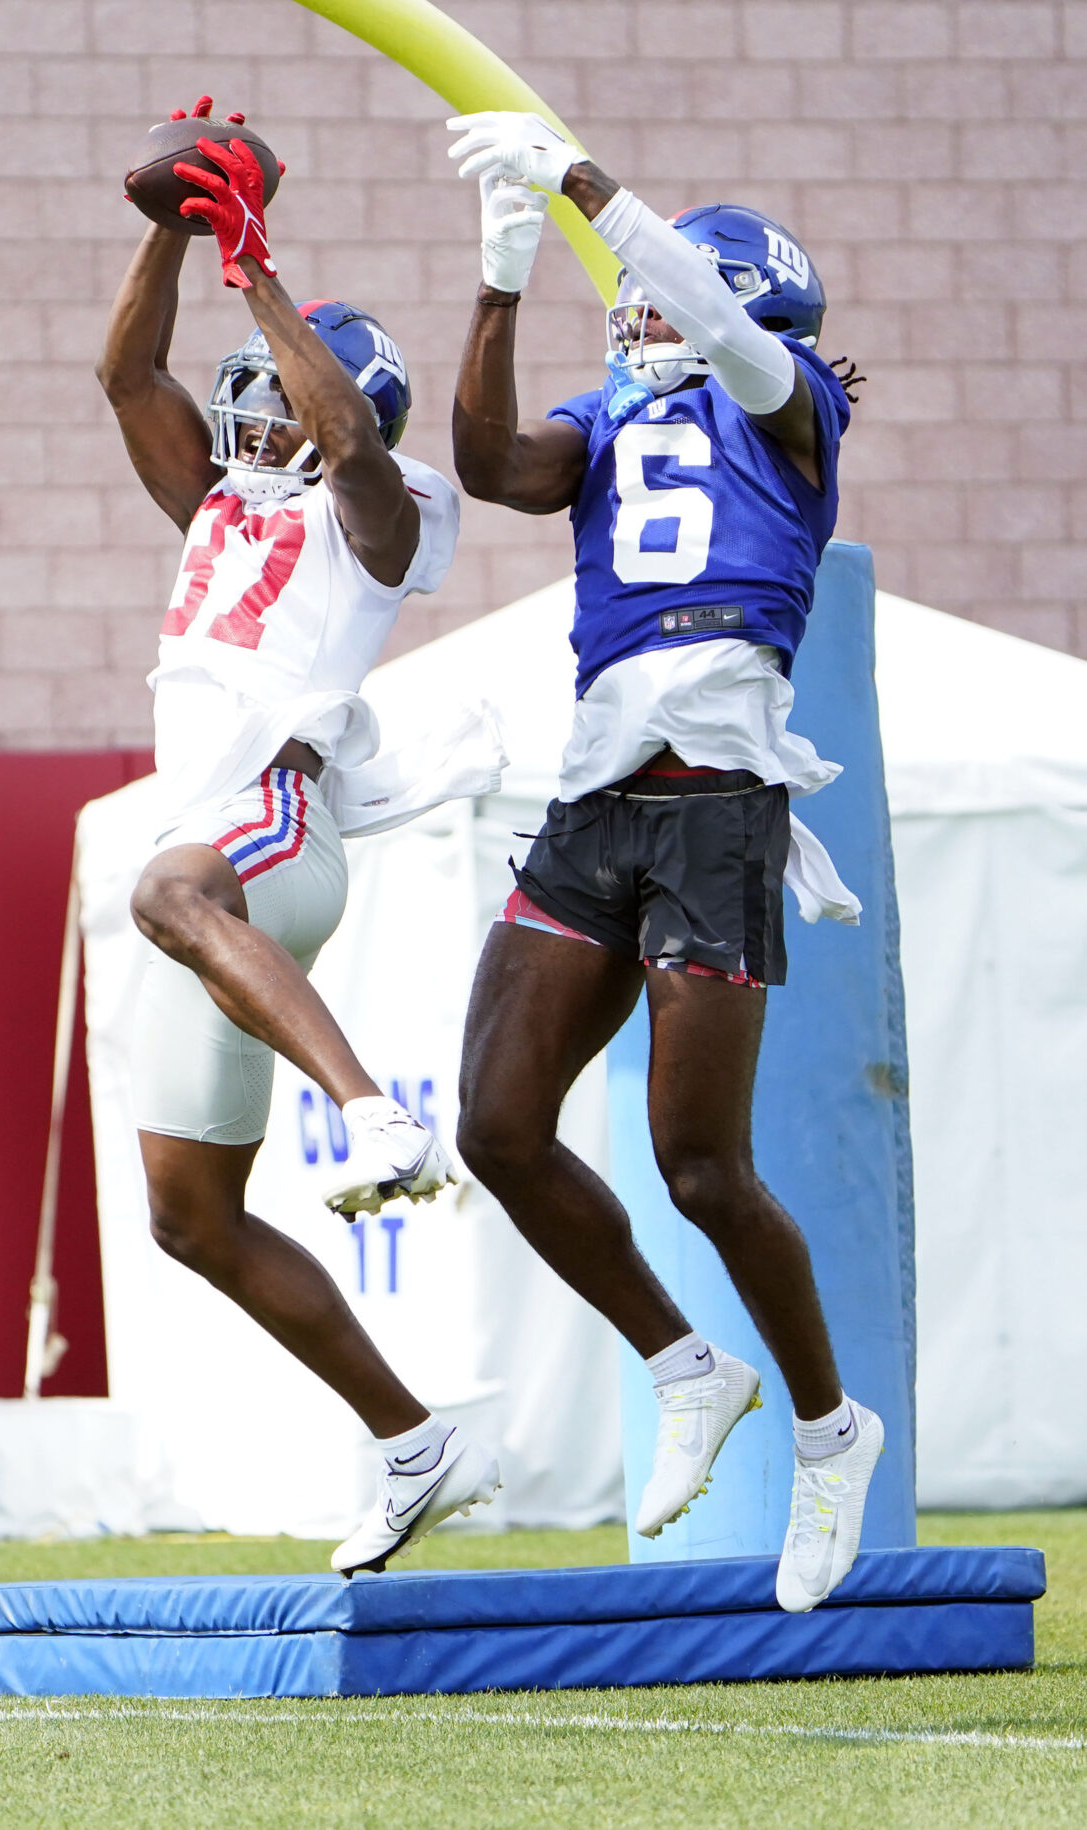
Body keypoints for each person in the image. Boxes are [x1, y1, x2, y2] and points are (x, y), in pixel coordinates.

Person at [444, 110, 881, 1613]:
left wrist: (577, 180)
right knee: (496, 1124)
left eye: (663, 291)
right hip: (597, 794)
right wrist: (500, 274)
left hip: (719, 800)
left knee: (704, 1163)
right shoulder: (614, 418)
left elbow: (706, 311)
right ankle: (688, 1365)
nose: (632, 312)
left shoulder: (793, 402)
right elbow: (491, 460)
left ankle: (832, 1428)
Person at [96, 98, 499, 1574]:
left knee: (167, 883)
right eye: (249, 383)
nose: (258, 407)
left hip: (277, 817)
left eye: (282, 386)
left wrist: (263, 270)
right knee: (190, 1217)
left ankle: (375, 1111)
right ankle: (413, 1437)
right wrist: (173, 228)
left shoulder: (372, 516)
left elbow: (347, 445)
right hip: (205, 864)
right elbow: (125, 368)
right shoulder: (212, 502)